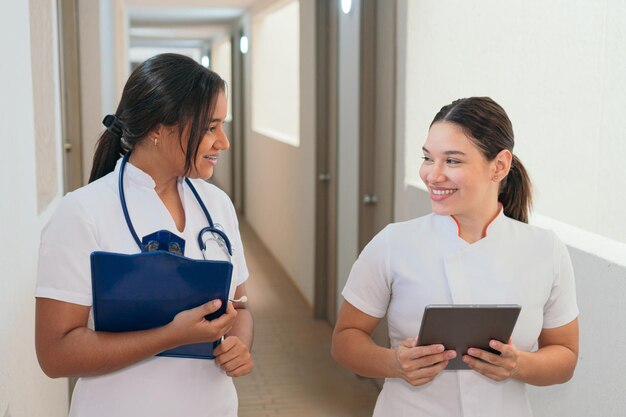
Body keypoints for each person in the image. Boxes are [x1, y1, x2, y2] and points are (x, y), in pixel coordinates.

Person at [331, 97, 579, 417]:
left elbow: (565, 357)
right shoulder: (394, 243)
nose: (433, 175)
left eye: (452, 161)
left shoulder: (545, 250)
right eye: (427, 158)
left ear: (500, 166)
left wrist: (519, 364)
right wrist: (393, 363)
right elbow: (345, 340)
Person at [35, 53, 253, 417]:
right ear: (158, 127)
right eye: (210, 127)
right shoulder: (83, 212)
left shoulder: (217, 205)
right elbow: (55, 355)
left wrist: (239, 345)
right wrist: (172, 335)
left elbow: (242, 307)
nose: (223, 142)